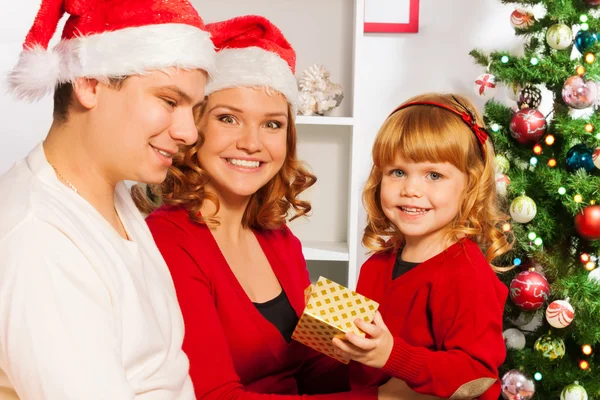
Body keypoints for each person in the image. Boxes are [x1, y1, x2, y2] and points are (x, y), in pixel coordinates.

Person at [140, 14, 419, 400]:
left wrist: (405, 368)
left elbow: (314, 363)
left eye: (272, 124)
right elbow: (216, 396)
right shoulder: (168, 240)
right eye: (228, 118)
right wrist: (380, 398)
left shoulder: (278, 235)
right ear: (194, 126)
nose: (252, 143)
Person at [0, 0, 216, 398]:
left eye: (194, 109)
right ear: (89, 83)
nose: (189, 133)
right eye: (169, 101)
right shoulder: (41, 242)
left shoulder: (113, 195)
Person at [332, 93, 513, 400]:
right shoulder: (376, 265)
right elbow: (362, 364)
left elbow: (477, 374)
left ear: (469, 186)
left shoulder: (466, 272)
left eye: (434, 175)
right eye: (398, 172)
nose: (411, 190)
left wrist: (394, 356)